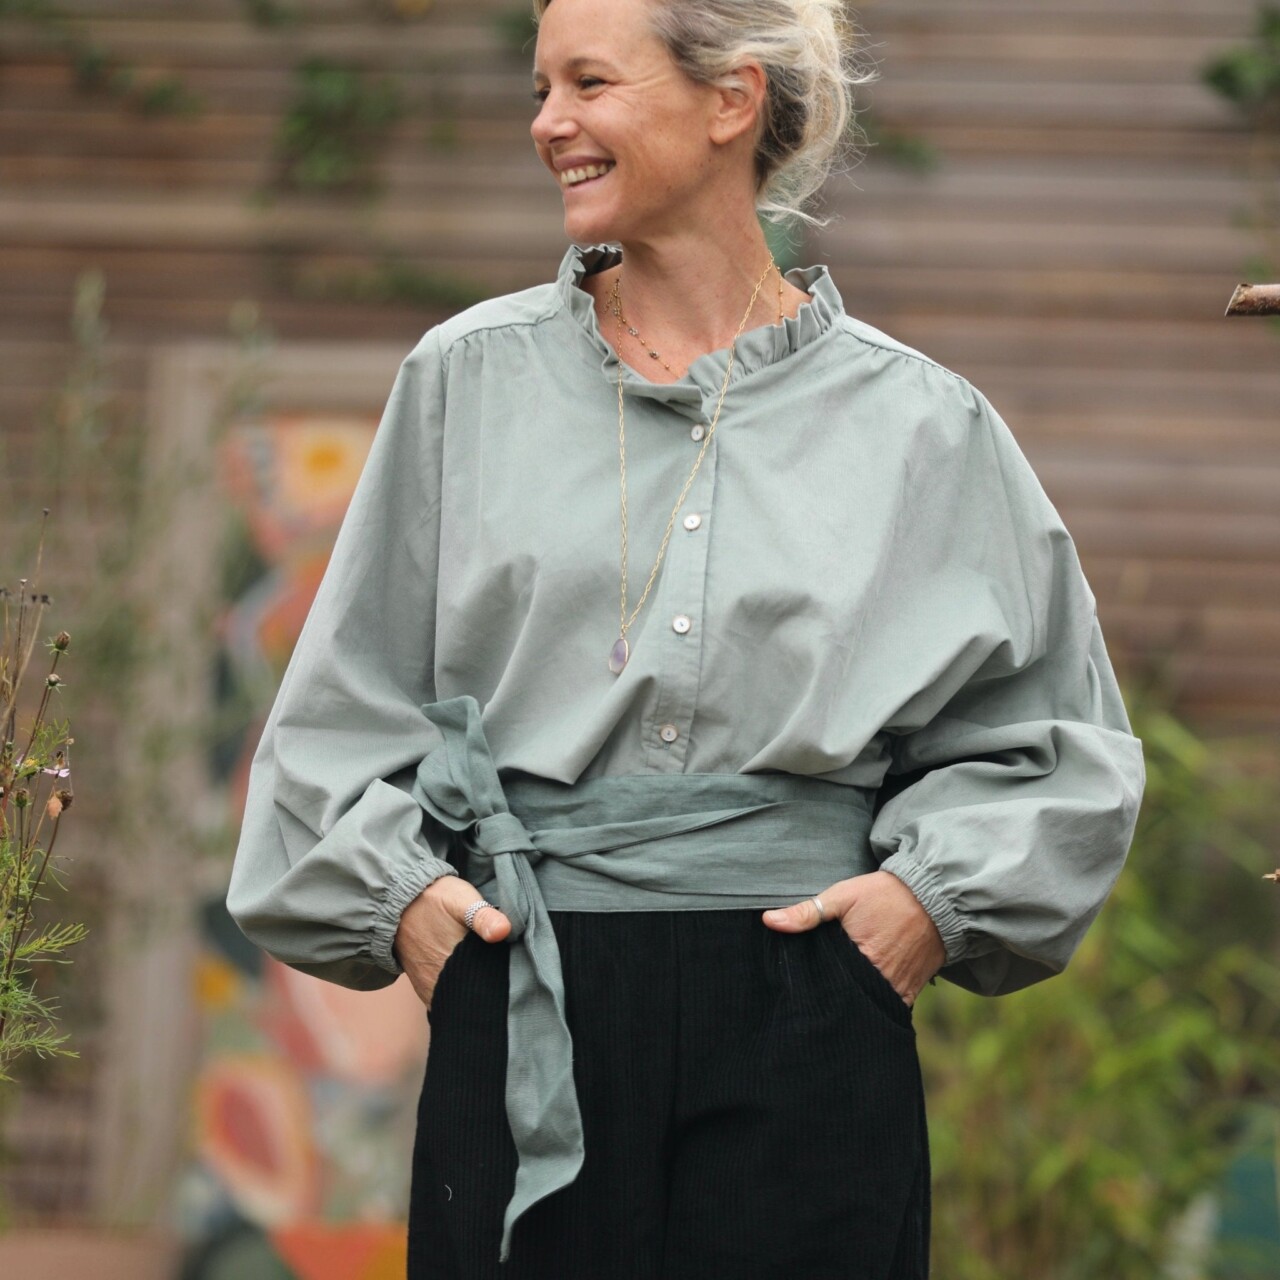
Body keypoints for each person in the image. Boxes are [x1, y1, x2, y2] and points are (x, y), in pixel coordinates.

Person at [227, 0, 1146, 1276]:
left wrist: (918, 910)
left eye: (589, 83)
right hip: (523, 979)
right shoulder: (464, 381)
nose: (548, 123)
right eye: (541, 88)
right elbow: (340, 709)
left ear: (730, 100)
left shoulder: (922, 425)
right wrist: (412, 907)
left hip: (811, 997)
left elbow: (1053, 738)